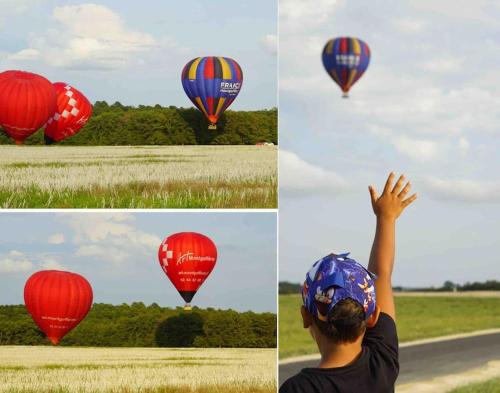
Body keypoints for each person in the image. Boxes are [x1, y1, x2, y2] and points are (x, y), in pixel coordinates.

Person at [280, 173, 417, 393]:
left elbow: (381, 274)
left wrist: (385, 218)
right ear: (372, 316)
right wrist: (386, 218)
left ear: (306, 316)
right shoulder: (381, 364)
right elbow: (382, 274)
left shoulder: (299, 389)